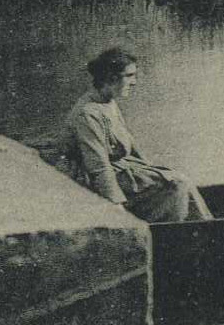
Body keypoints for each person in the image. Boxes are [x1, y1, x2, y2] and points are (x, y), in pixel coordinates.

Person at [64, 48, 212, 222]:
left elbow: (129, 142)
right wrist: (116, 206)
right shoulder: (87, 114)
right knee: (177, 186)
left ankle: (207, 228)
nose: (134, 82)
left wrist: (152, 169)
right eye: (130, 76)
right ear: (111, 78)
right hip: (104, 181)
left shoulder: (108, 102)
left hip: (124, 171)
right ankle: (180, 236)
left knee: (179, 179)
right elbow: (98, 166)